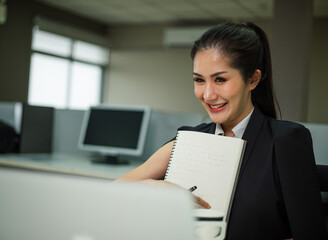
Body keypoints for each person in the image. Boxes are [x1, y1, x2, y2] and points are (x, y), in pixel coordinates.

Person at [117, 22, 326, 239]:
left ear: (253, 79)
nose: (207, 95)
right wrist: (149, 188)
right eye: (199, 80)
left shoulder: (286, 141)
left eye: (220, 79)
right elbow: (111, 194)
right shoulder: (187, 140)